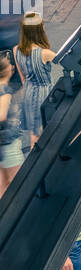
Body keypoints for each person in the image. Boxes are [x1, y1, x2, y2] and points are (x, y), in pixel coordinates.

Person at [13, 11, 54, 148]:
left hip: (29, 94)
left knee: (35, 135)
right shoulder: (45, 53)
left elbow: (23, 79)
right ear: (38, 30)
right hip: (44, 95)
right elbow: (66, 60)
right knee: (41, 137)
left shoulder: (16, 50)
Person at [0, 49, 24, 196]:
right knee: (18, 185)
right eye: (10, 65)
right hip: (8, 145)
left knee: (3, 186)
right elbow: (2, 116)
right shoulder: (5, 90)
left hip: (3, 144)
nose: (13, 67)